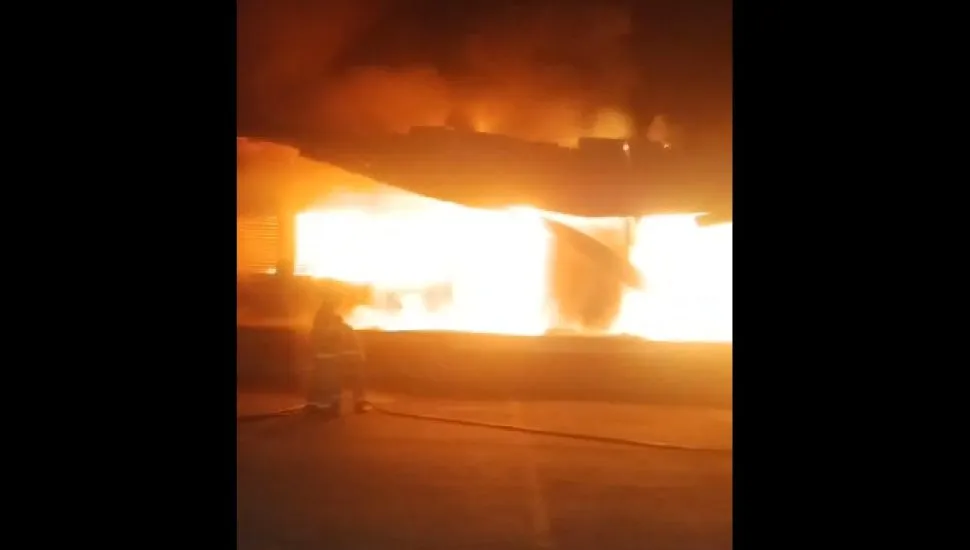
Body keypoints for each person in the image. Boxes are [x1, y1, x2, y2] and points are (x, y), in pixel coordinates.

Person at [306, 296, 368, 415]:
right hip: (335, 358)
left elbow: (316, 339)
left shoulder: (322, 323)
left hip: (332, 358)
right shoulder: (337, 326)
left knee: (326, 380)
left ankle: (324, 405)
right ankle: (330, 405)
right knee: (331, 381)